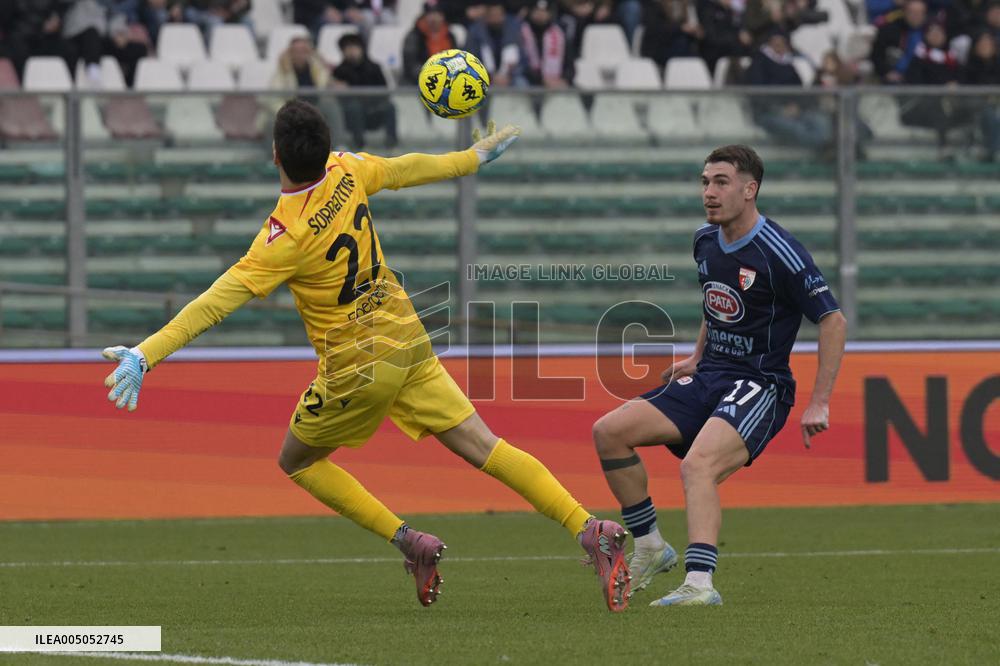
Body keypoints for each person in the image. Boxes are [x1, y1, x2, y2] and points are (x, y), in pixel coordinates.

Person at [100, 100, 633, 613]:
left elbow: (215, 303)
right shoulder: (346, 170)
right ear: (326, 146)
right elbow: (405, 169)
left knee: (297, 461)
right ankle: (588, 527)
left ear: (275, 154)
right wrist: (470, 159)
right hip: (406, 334)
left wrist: (145, 355)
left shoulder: (282, 236)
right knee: (484, 444)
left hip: (355, 367)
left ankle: (409, 541)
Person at [591, 144, 847, 606]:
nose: (709, 192)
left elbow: (833, 320)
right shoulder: (705, 240)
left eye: (721, 182)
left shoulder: (780, 252)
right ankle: (650, 545)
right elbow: (717, 300)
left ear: (750, 190)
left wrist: (819, 401)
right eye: (705, 182)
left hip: (760, 384)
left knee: (698, 466)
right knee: (609, 432)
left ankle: (700, 583)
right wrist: (696, 355)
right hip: (709, 374)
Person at [745, 30, 833, 151]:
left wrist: (797, 106)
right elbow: (757, 94)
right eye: (776, 44)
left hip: (795, 111)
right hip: (768, 113)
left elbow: (799, 90)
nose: (780, 47)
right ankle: (822, 151)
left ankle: (826, 149)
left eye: (782, 44)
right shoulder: (758, 64)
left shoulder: (788, 65)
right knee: (798, 129)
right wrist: (780, 109)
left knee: (820, 123)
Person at [332, 33, 398, 149]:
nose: (352, 51)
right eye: (348, 48)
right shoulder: (339, 71)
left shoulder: (374, 67)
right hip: (352, 114)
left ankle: (392, 143)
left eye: (354, 47)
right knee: (354, 108)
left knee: (389, 107)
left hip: (374, 110)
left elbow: (384, 90)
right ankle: (359, 145)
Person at [465, 0, 524, 87]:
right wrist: (491, 77)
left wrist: (509, 76)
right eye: (492, 15)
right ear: (486, 16)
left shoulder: (513, 31)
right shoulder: (476, 32)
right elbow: (471, 59)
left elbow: (523, 60)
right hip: (483, 76)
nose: (495, 18)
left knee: (521, 82)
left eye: (498, 15)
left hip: (510, 77)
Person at [963, 31, 1000, 162]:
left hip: (997, 102)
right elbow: (966, 90)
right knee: (989, 115)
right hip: (976, 105)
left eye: (988, 44)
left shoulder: (997, 65)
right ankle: (993, 151)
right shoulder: (969, 67)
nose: (986, 47)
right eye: (982, 44)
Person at [401, 2, 458, 85]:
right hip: (419, 82)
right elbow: (411, 65)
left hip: (446, 82)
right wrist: (432, 75)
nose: (433, 18)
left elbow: (456, 60)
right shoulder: (414, 36)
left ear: (442, 16)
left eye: (437, 14)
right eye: (430, 14)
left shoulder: (450, 36)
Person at [872, 0, 927, 83]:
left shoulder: (930, 33)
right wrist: (886, 72)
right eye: (912, 12)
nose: (916, 16)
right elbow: (877, 54)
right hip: (894, 80)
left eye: (919, 13)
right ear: (904, 12)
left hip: (924, 80)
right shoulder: (889, 30)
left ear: (925, 15)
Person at [639, 0, 702, 72]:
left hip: (678, 45)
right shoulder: (654, 5)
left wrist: (695, 31)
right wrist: (681, 28)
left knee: (691, 47)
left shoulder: (686, 6)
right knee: (683, 44)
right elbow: (656, 29)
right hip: (657, 47)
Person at [520, 0, 570, 88]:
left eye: (544, 11)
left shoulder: (559, 33)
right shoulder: (522, 32)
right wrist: (542, 80)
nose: (540, 14)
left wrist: (564, 79)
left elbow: (569, 63)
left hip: (557, 82)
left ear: (550, 14)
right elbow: (522, 65)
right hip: (530, 82)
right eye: (537, 10)